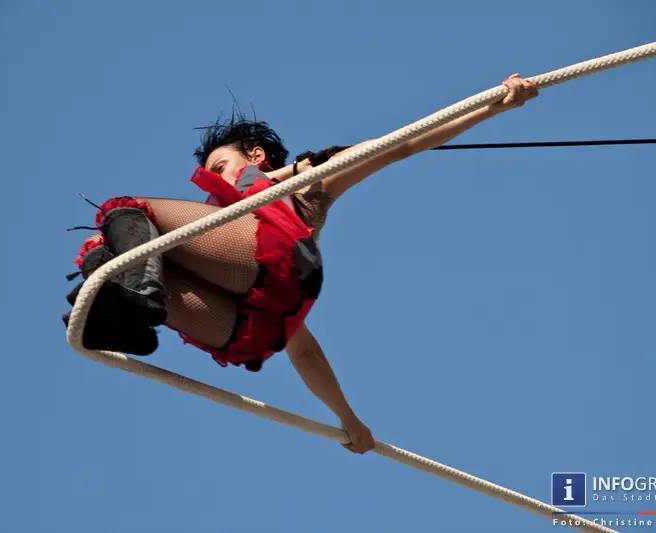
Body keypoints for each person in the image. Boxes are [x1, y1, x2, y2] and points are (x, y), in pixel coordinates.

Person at [62, 74, 539, 454]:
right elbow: (303, 351)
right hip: (257, 322)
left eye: (220, 170)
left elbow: (401, 144)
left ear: (254, 155)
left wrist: (495, 104)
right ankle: (127, 314)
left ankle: (133, 300)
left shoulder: (309, 182)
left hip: (276, 258)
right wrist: (349, 420)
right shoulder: (220, 229)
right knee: (111, 255)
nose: (211, 187)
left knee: (122, 210)